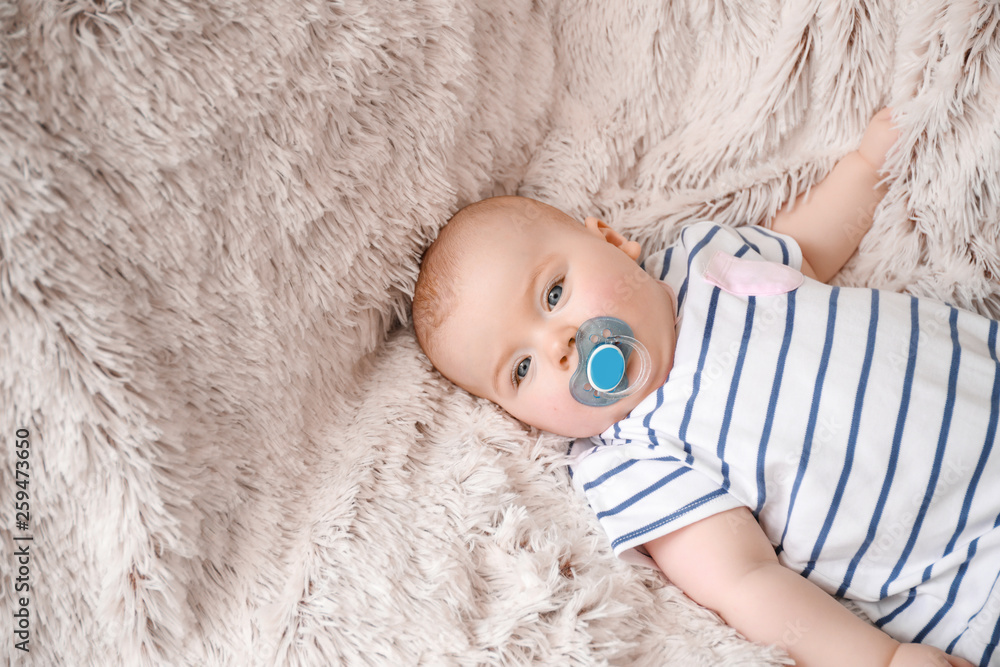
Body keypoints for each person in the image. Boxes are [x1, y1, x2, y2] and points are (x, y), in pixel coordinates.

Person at [412, 108, 999, 667]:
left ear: (611, 242)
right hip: (964, 561)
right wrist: (882, 658)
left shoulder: (706, 259)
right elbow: (745, 583)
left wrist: (867, 168)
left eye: (554, 293)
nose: (558, 346)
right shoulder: (632, 462)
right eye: (521, 369)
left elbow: (809, 251)